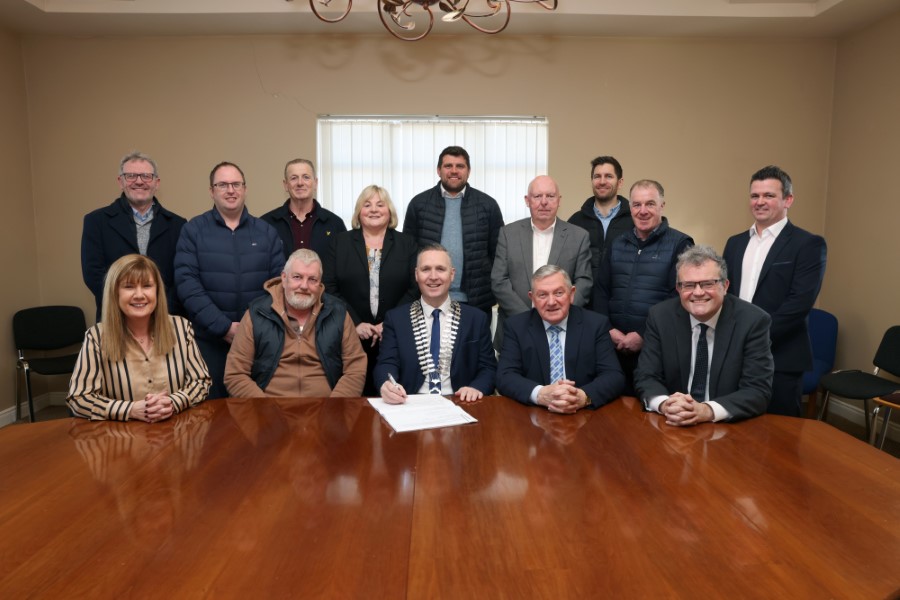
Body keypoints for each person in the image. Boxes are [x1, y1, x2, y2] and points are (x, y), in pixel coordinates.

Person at [722, 166, 827, 417]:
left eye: (768, 195)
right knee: (734, 430)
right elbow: (726, 294)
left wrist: (753, 337)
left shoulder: (808, 244)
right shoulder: (735, 243)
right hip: (734, 355)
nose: (760, 202)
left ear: (787, 200)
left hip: (782, 356)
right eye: (754, 196)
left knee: (781, 440)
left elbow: (799, 304)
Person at [174, 161, 283, 399]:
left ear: (245, 189)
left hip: (258, 341)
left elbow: (277, 286)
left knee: (258, 415)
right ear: (211, 191)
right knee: (212, 417)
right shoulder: (193, 230)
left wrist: (249, 328)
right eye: (222, 184)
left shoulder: (266, 233)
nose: (230, 190)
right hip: (208, 342)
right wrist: (223, 327)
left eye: (236, 184)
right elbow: (187, 284)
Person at [634, 245, 774, 425]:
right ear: (678, 289)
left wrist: (707, 410)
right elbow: (646, 375)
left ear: (725, 286)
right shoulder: (660, 316)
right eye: (689, 285)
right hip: (672, 423)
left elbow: (757, 391)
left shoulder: (753, 321)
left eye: (708, 284)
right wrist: (665, 404)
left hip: (728, 428)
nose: (698, 292)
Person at [67, 254, 210, 421]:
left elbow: (201, 381)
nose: (140, 295)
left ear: (157, 291)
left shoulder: (181, 328)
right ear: (115, 293)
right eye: (129, 287)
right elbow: (78, 399)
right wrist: (130, 409)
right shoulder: (96, 337)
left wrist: (173, 402)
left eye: (147, 286)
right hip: (122, 438)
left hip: (176, 430)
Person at [224, 249, 367, 398]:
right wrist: (264, 410)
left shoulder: (338, 313)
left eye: (312, 279)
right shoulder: (257, 313)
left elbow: (356, 368)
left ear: (320, 284)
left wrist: (333, 408)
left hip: (326, 409)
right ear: (284, 278)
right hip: (268, 410)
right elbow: (235, 374)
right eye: (297, 277)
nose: (304, 286)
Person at [594, 179, 693, 393]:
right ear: (630, 208)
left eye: (650, 204)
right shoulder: (617, 243)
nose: (643, 211)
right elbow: (601, 290)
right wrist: (608, 329)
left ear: (662, 206)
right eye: (637, 205)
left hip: (656, 349)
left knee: (650, 411)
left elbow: (678, 298)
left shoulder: (680, 244)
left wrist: (642, 335)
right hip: (614, 348)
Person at [322, 185, 419, 395]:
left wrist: (391, 322)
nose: (374, 209)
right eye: (367, 205)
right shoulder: (340, 243)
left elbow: (415, 287)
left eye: (380, 204)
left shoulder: (407, 243)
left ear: (389, 211)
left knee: (392, 394)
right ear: (359, 211)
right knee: (353, 400)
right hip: (350, 335)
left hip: (394, 335)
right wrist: (355, 323)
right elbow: (329, 288)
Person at [374, 244, 497, 404]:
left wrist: (476, 387)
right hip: (410, 403)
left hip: (461, 403)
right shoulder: (396, 319)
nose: (433, 276)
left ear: (452, 274)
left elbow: (488, 368)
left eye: (440, 269)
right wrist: (386, 384)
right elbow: (386, 363)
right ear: (416, 275)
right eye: (426, 269)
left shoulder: (476, 319)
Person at [497, 265, 624, 413]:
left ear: (571, 294)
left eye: (558, 293)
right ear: (532, 298)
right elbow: (505, 377)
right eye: (542, 295)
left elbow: (614, 376)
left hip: (585, 414)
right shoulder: (516, 326)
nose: (551, 302)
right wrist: (540, 394)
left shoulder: (596, 325)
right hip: (532, 415)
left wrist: (583, 397)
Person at [81, 152, 186, 320]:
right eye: (131, 176)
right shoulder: (96, 222)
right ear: (120, 182)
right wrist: (126, 306)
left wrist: (159, 308)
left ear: (156, 183)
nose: (139, 181)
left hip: (164, 318)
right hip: (115, 319)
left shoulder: (178, 225)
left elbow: (181, 276)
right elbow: (93, 274)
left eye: (146, 176)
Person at [491, 175, 592, 349]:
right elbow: (499, 281)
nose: (544, 202)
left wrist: (559, 313)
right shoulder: (508, 233)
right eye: (537, 196)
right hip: (516, 328)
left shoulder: (579, 236)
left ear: (559, 200)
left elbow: (584, 281)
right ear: (527, 200)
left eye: (550, 196)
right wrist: (528, 318)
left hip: (562, 329)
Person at [402, 146, 504, 314]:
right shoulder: (419, 204)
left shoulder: (488, 205)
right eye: (448, 166)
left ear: (468, 171)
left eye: (460, 166)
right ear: (438, 170)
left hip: (475, 301)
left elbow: (498, 255)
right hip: (428, 299)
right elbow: (408, 254)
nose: (454, 171)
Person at [567, 155, 633, 299]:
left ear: (620, 182)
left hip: (622, 302)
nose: (602, 181)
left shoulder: (634, 221)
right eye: (597, 176)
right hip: (584, 304)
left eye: (609, 176)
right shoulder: (575, 221)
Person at [262, 158, 347, 261]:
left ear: (315, 183)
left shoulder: (335, 223)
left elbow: (343, 265)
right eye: (294, 178)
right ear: (286, 185)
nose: (300, 183)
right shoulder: (266, 224)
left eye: (306, 177)